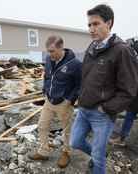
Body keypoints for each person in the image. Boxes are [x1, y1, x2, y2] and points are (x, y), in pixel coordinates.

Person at [70, 4, 138, 174]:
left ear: (109, 23)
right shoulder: (92, 47)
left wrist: (106, 108)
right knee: (75, 142)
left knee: (98, 157)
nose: (91, 29)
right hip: (84, 109)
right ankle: (97, 154)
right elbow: (86, 77)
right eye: (89, 25)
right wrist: (80, 96)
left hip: (102, 115)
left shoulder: (122, 51)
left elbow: (129, 90)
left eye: (96, 24)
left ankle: (97, 160)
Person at [28, 35, 82, 168]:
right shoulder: (49, 59)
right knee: (42, 126)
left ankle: (66, 152)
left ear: (61, 48)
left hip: (64, 103)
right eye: (48, 51)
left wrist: (69, 100)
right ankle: (44, 151)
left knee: (67, 130)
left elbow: (80, 85)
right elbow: (47, 76)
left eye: (52, 51)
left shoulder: (74, 64)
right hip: (49, 100)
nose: (49, 54)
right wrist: (45, 90)